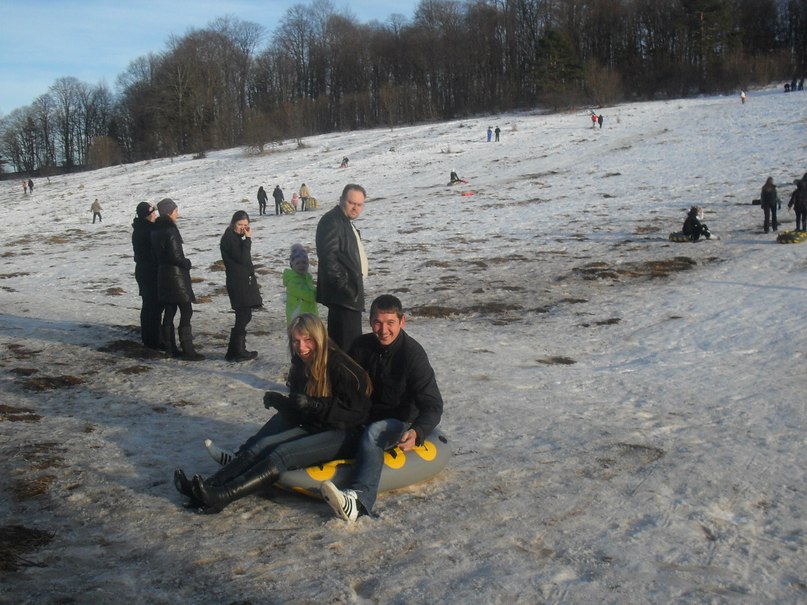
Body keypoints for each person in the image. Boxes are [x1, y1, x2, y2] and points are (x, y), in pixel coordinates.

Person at [174, 314, 372, 514]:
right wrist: (283, 404)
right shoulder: (300, 366)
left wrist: (315, 405)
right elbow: (303, 415)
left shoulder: (340, 366)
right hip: (319, 426)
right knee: (261, 446)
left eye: (307, 340)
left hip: (347, 433)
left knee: (284, 453)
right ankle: (208, 487)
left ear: (319, 338)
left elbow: (357, 413)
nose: (301, 347)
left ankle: (222, 496)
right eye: (296, 341)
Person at [320, 295, 444, 522]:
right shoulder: (361, 346)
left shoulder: (413, 355)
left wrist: (417, 431)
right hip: (364, 415)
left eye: (390, 323)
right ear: (370, 321)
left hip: (399, 421)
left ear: (402, 321)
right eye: (377, 322)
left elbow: (433, 403)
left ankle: (359, 501)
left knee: (374, 432)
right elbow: (342, 384)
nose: (383, 330)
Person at [315, 184, 368, 351]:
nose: (355, 208)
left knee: (351, 347)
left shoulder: (344, 221)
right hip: (343, 299)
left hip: (348, 298)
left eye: (359, 205)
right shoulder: (332, 221)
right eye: (351, 203)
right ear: (341, 200)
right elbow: (328, 259)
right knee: (346, 350)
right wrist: (346, 289)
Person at [151, 198, 204, 360]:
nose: (177, 214)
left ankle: (170, 348)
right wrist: (186, 263)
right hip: (176, 277)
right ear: (170, 212)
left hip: (163, 274)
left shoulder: (155, 230)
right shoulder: (170, 229)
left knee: (170, 310)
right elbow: (175, 256)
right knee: (186, 310)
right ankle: (188, 350)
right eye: (176, 211)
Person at [220, 211, 262, 362]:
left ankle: (234, 351)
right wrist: (248, 239)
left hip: (242, 281)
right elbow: (243, 258)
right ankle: (237, 351)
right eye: (240, 224)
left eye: (245, 225)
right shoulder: (230, 238)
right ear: (233, 224)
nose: (243, 228)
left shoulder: (236, 237)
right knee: (244, 315)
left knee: (244, 315)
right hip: (237, 283)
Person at [131, 202, 162, 350]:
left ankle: (148, 338)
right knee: (154, 306)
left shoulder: (139, 228)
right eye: (152, 213)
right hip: (150, 271)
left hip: (142, 271)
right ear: (147, 215)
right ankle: (155, 340)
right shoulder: (148, 230)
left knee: (148, 305)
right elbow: (153, 253)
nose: (155, 215)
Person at [283, 243, 318, 327]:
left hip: (309, 318)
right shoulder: (293, 282)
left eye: (304, 262)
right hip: (298, 322)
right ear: (292, 265)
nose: (301, 265)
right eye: (298, 263)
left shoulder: (307, 279)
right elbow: (311, 297)